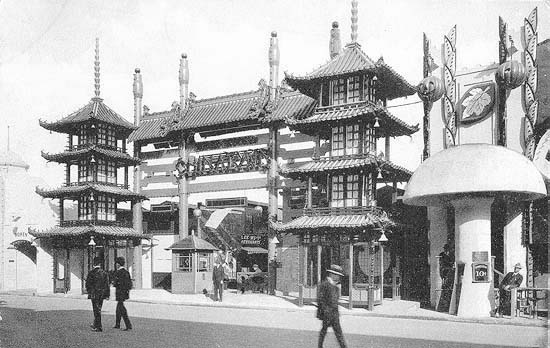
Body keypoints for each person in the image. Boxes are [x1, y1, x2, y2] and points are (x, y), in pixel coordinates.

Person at [316, 264, 347, 348]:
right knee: (324, 330)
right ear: (332, 274)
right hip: (327, 314)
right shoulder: (324, 285)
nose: (339, 278)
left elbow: (335, 301)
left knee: (338, 333)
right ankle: (320, 346)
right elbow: (320, 300)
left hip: (334, 315)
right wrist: (326, 311)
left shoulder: (336, 287)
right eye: (338, 275)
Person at [85, 257, 110, 332]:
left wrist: (89, 292)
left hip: (94, 294)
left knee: (96, 310)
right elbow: (107, 285)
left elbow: (88, 285)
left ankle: (99, 327)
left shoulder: (91, 273)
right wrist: (107, 295)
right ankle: (96, 324)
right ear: (100, 264)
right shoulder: (104, 273)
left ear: (94, 263)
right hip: (101, 294)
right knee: (99, 309)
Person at [112, 257, 133, 331]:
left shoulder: (118, 272)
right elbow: (130, 284)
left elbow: (115, 283)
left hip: (119, 292)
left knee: (121, 309)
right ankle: (117, 324)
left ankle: (128, 325)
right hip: (124, 293)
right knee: (119, 308)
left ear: (118, 264)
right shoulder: (126, 272)